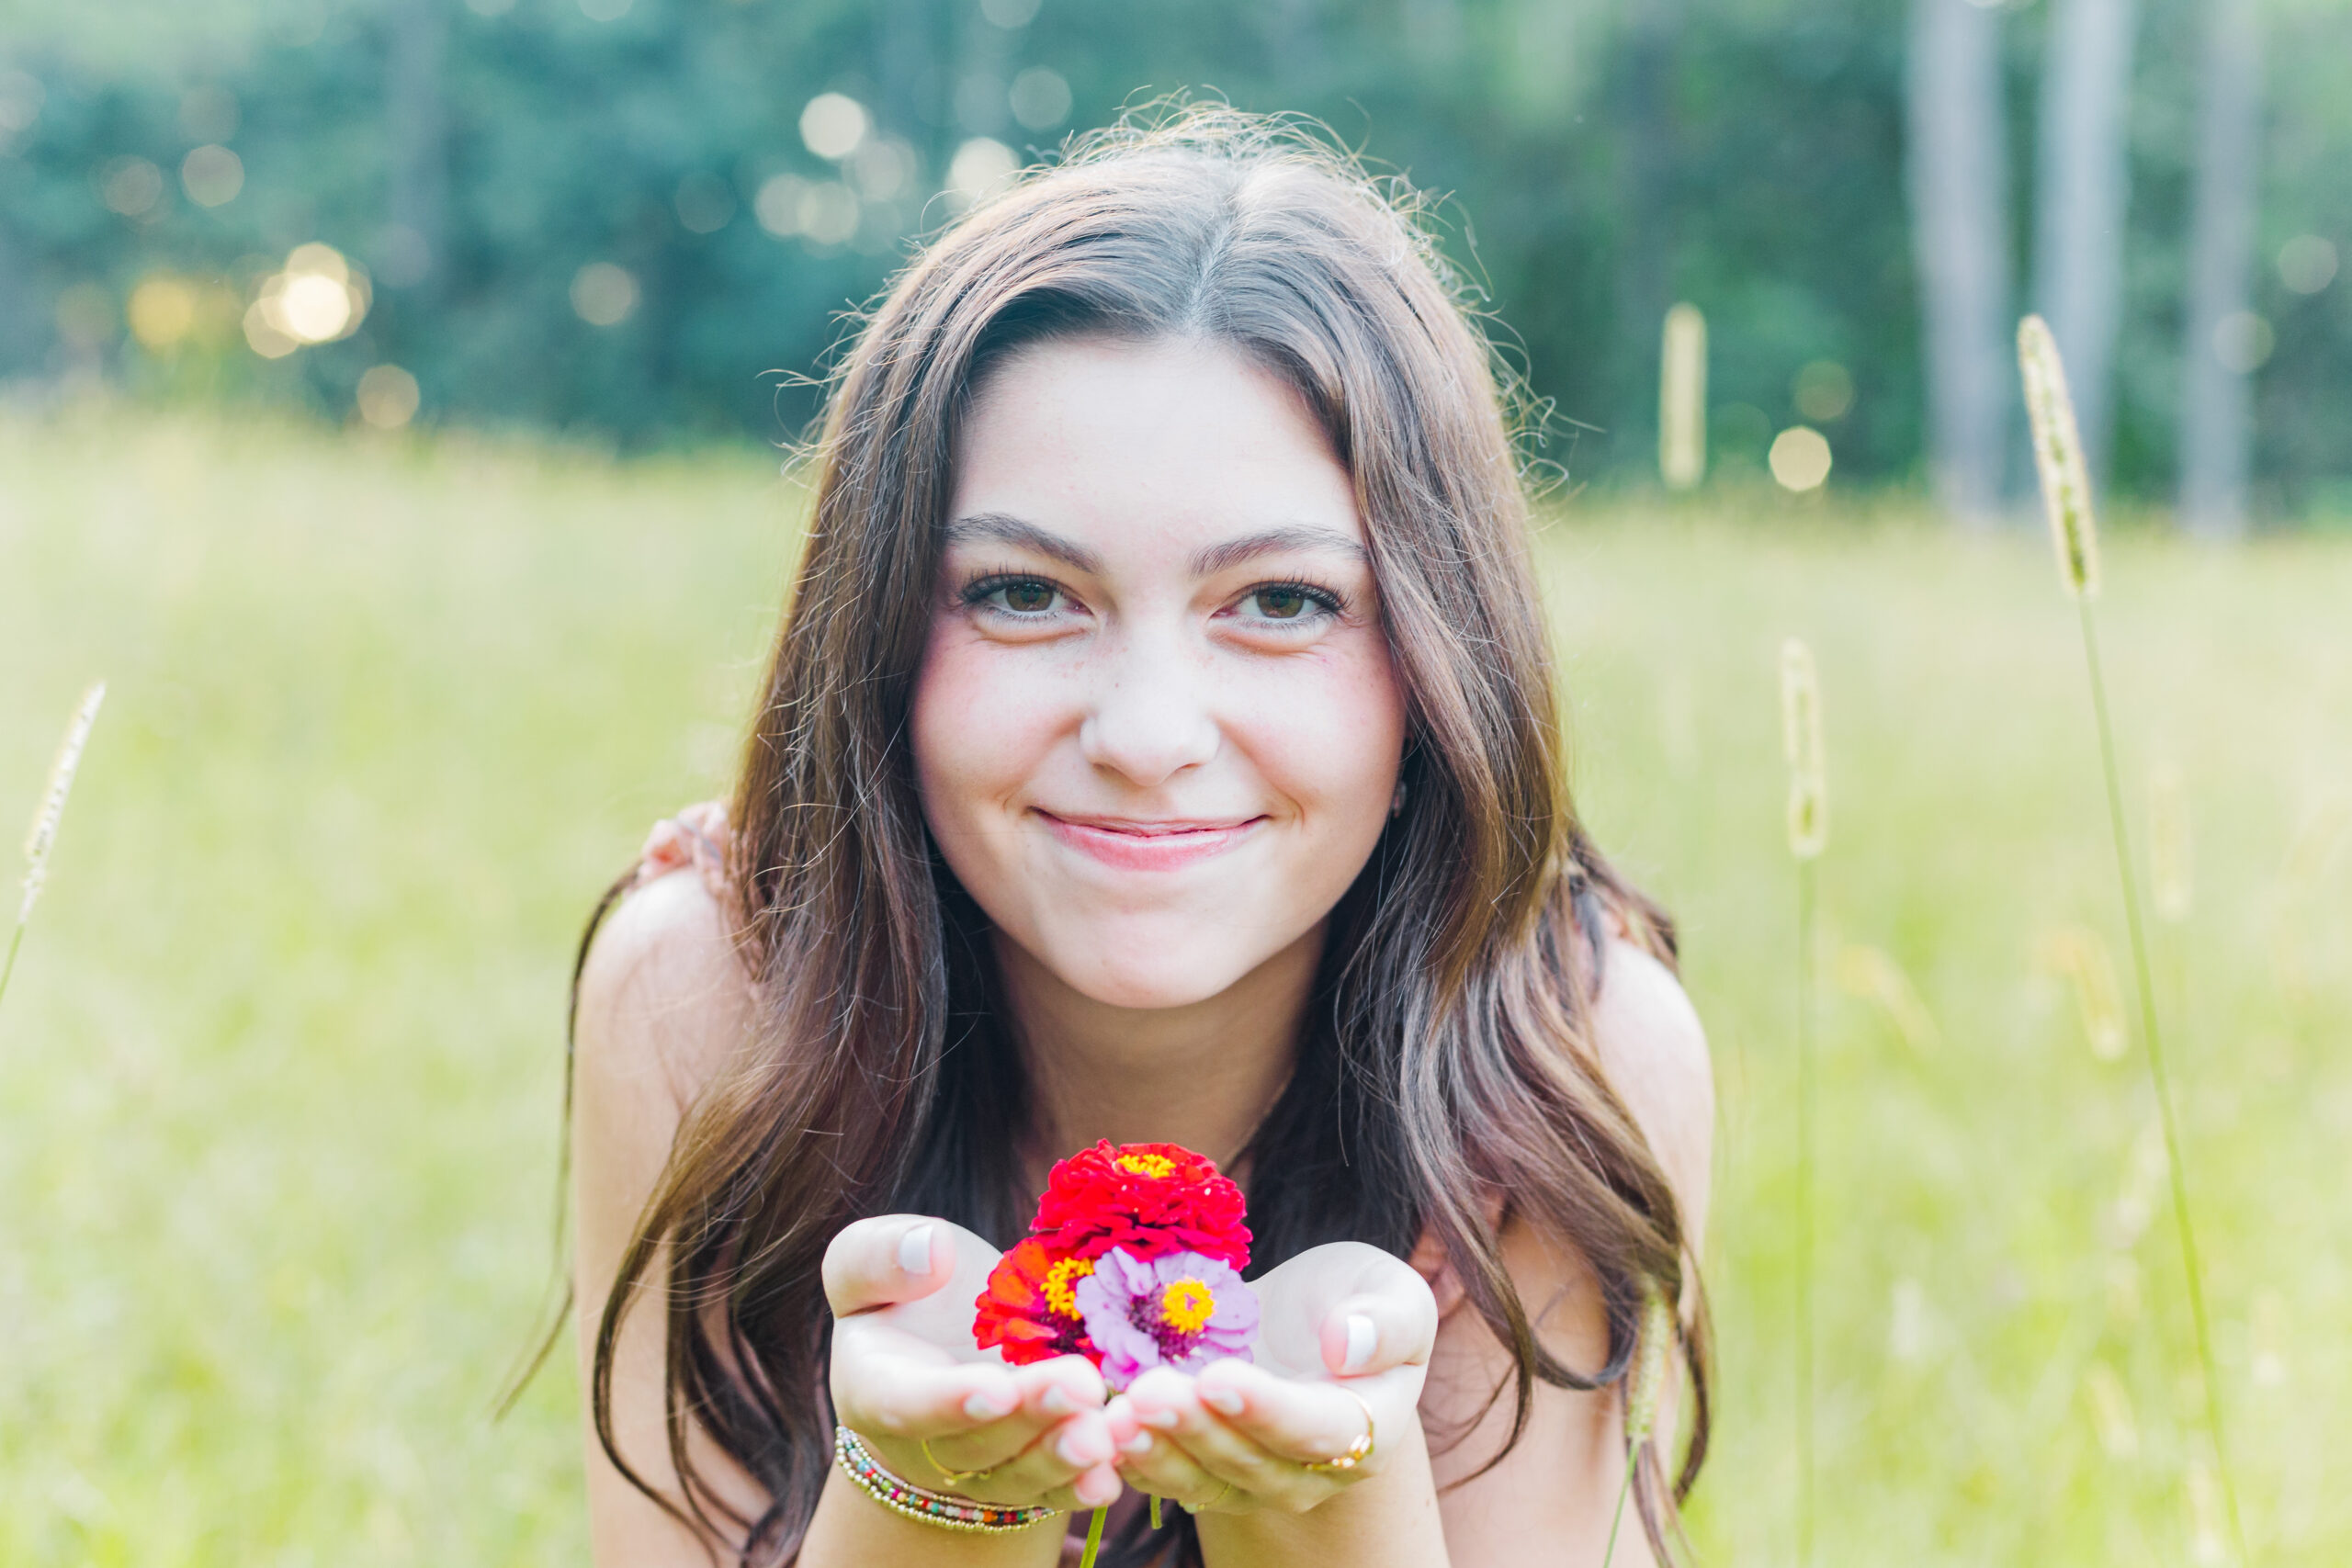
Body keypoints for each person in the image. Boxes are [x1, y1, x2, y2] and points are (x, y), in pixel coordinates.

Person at [565, 107, 1713, 1568]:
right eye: (1024, 594)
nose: (1149, 733)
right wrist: (935, 1502)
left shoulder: (1564, 1062)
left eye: (1284, 603)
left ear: (1441, 661)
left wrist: (1324, 1517)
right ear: (878, 637)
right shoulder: (712, 1000)